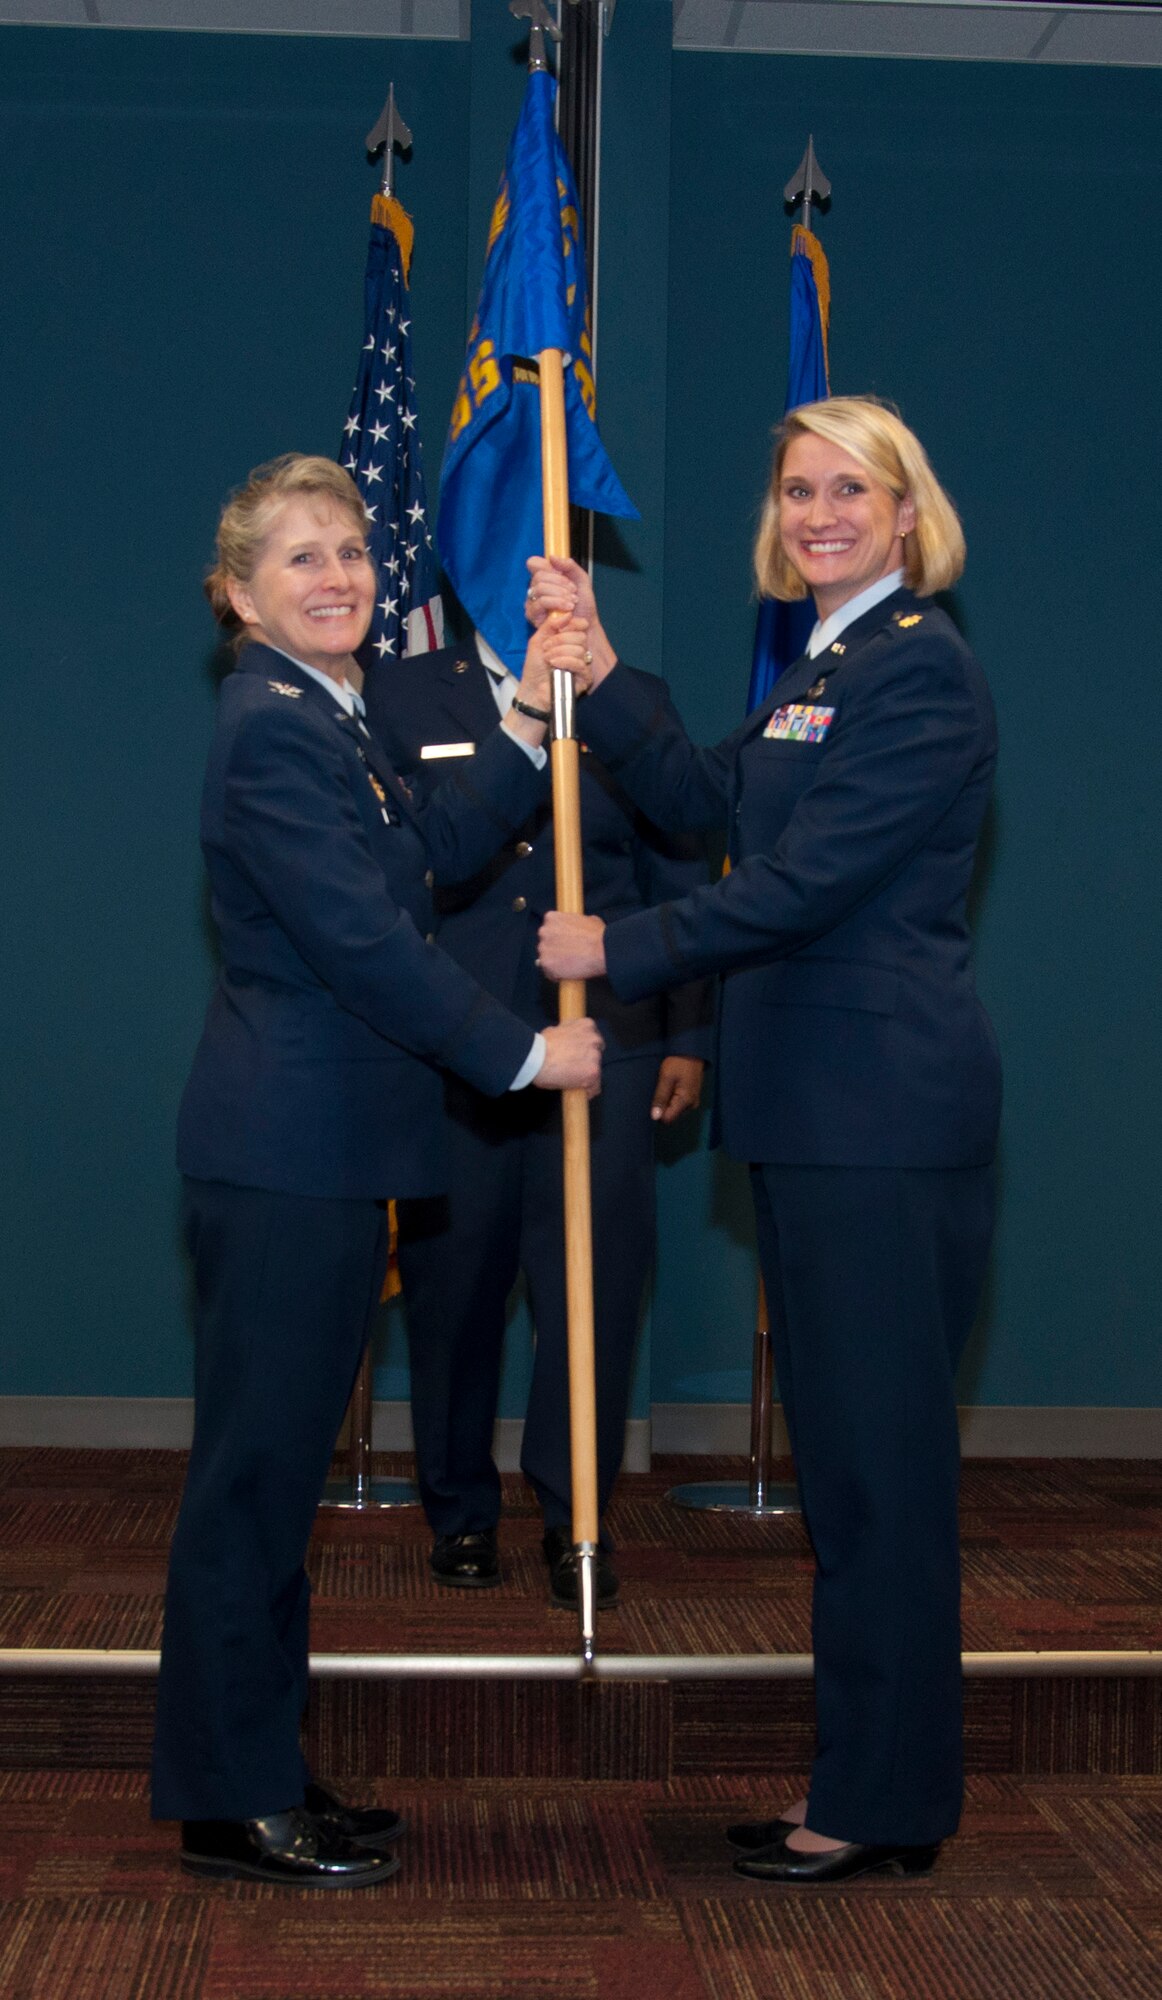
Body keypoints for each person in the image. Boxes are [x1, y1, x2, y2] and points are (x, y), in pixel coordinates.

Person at [533, 397, 1000, 1886]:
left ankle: (881, 1802)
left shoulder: (921, 676)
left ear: (907, 512)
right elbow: (714, 802)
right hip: (811, 1116)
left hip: (879, 1120)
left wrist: (615, 943)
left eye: (849, 489)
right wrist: (601, 679)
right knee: (847, 1471)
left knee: (877, 1476)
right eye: (797, 490)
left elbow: (799, 887)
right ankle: (868, 1784)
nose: (817, 514)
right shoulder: (826, 664)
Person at [151, 455, 601, 1888]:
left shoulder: (328, 715)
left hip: (326, 1156)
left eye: (349, 549)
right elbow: (363, 943)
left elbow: (434, 856)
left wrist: (529, 706)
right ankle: (230, 1802)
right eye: (299, 559)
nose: (337, 575)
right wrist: (524, 1061)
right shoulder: (276, 729)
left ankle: (262, 1768)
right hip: (288, 1153)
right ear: (234, 594)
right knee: (254, 1485)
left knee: (276, 1487)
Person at [362, 629, 712, 1607]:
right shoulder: (401, 692)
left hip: (604, 1037)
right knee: (454, 1285)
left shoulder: (629, 690)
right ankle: (461, 1509)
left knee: (590, 1287)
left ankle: (575, 1516)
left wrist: (689, 1031)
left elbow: (678, 864)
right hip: (458, 1039)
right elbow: (397, 873)